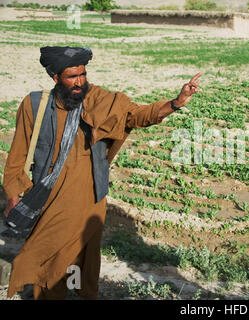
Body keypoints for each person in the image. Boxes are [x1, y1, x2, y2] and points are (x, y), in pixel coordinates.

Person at [2, 46, 201, 299]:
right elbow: (17, 153)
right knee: (46, 254)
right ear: (55, 78)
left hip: (88, 194)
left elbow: (136, 115)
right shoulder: (35, 105)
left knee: (78, 254)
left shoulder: (100, 100)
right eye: (72, 77)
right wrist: (13, 194)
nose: (79, 82)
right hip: (49, 194)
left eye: (82, 74)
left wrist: (176, 102)